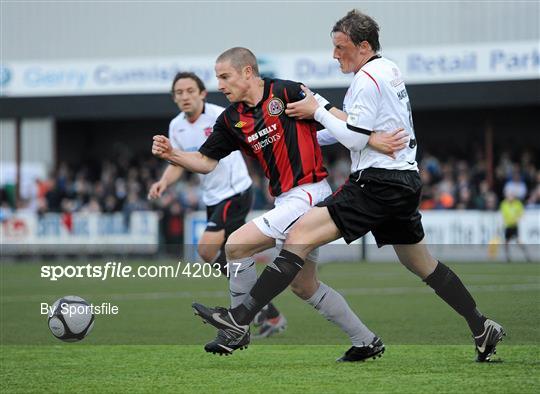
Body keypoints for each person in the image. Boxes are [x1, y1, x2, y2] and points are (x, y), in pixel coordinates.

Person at [191, 11, 506, 363]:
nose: (334, 54)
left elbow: (353, 139)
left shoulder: (366, 80)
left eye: (340, 47)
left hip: (376, 183)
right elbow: (355, 132)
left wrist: (318, 110)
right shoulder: (388, 70)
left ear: (364, 46)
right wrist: (312, 131)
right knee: (423, 264)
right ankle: (481, 326)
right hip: (404, 180)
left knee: (299, 235)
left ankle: (239, 318)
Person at [152, 47, 408, 360]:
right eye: (218, 78)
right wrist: (172, 154)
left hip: (311, 192)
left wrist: (372, 137)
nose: (220, 85)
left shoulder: (286, 91)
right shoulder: (231, 119)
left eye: (225, 76)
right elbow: (205, 162)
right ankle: (366, 341)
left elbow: (338, 117)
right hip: (286, 198)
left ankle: (237, 325)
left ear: (247, 72)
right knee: (304, 286)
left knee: (236, 246)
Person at [148, 71, 286, 338]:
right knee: (230, 257)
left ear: (202, 93)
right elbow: (178, 162)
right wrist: (164, 182)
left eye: (190, 90)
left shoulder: (221, 115)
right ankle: (264, 309)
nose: (185, 96)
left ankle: (247, 313)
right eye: (179, 92)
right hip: (213, 198)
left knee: (206, 249)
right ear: (174, 98)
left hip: (235, 192)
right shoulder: (176, 126)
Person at [499, 191, 531, 262]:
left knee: (518, 241)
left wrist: (517, 218)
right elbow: (503, 214)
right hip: (508, 226)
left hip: (514, 226)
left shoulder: (517, 203)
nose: (510, 197)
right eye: (509, 196)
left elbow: (521, 213)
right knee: (506, 242)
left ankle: (526, 255)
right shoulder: (504, 204)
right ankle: (508, 257)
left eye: (511, 196)